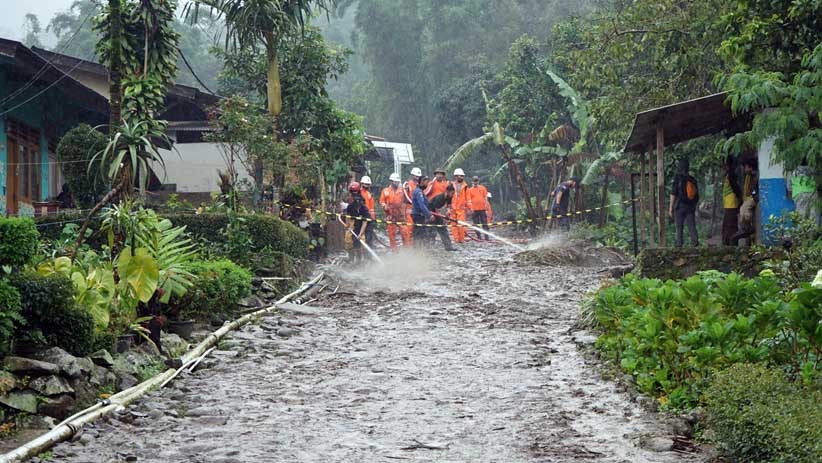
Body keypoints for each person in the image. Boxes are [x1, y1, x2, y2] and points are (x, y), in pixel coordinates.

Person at [669, 159, 699, 247]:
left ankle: (679, 245)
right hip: (690, 206)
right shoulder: (692, 180)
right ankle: (695, 242)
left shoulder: (677, 178)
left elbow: (673, 193)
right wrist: (693, 205)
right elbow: (697, 196)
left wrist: (671, 207)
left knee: (679, 226)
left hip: (679, 206)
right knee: (691, 225)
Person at [733, 159, 758, 245]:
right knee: (742, 210)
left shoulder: (755, 176)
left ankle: (747, 228)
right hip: (749, 197)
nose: (744, 169)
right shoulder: (749, 176)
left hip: (753, 198)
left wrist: (754, 197)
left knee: (745, 210)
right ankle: (745, 228)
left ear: (750, 167)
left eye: (746, 167)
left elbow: (754, 189)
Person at [380, 173, 407, 251]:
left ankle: (407, 250)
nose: (397, 183)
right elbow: (382, 201)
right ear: (391, 181)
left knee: (405, 232)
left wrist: (404, 211)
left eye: (398, 182)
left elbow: (406, 200)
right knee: (392, 234)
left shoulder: (402, 190)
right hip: (390, 214)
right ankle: (394, 251)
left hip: (400, 214)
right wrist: (384, 205)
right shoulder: (385, 191)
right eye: (396, 181)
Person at [344, 182, 371, 262]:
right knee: (348, 241)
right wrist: (347, 224)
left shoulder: (364, 208)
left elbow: (364, 222)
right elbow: (348, 216)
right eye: (352, 192)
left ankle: (361, 259)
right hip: (353, 222)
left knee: (361, 241)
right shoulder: (350, 206)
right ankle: (351, 258)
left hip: (363, 223)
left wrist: (360, 234)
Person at [428, 184, 457, 251]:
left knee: (443, 230)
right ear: (447, 191)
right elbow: (436, 209)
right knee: (432, 231)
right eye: (452, 193)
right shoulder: (439, 198)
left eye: (453, 193)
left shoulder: (449, 197)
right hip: (431, 214)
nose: (453, 195)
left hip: (437, 214)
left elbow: (448, 205)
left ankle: (449, 247)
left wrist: (448, 212)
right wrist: (443, 218)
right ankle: (429, 248)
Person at [721, 156, 742, 246]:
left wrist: (740, 198)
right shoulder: (728, 174)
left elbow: (735, 188)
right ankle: (727, 243)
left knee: (731, 226)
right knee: (728, 225)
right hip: (729, 204)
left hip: (732, 204)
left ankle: (732, 244)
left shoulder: (731, 175)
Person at [402, 167, 423, 246]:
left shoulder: (420, 185)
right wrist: (403, 212)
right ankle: (408, 246)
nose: (417, 178)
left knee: (418, 229)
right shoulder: (407, 185)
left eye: (418, 176)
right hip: (410, 210)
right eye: (416, 176)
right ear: (412, 175)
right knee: (409, 228)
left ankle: (416, 245)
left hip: (418, 210)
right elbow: (404, 199)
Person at [410, 175, 433, 245]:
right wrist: (429, 215)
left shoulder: (421, 191)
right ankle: (416, 251)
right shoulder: (418, 192)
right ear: (422, 182)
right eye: (426, 182)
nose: (427, 184)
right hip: (418, 216)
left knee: (421, 234)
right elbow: (421, 205)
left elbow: (426, 204)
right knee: (418, 235)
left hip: (420, 216)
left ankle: (420, 249)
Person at [450, 168, 470, 243]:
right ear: (456, 176)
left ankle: (461, 239)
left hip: (461, 209)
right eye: (460, 176)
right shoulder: (451, 185)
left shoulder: (465, 186)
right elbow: (448, 197)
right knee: (453, 225)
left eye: (462, 176)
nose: (461, 177)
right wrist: (448, 207)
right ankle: (456, 239)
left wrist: (469, 208)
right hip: (453, 208)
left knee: (461, 225)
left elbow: (468, 198)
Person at [360, 175, 376, 246]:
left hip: (368, 217)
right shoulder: (358, 193)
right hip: (360, 217)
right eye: (366, 184)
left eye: (368, 184)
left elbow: (371, 207)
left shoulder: (369, 194)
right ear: (362, 183)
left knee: (369, 236)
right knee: (360, 235)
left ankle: (368, 254)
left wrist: (373, 217)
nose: (367, 186)